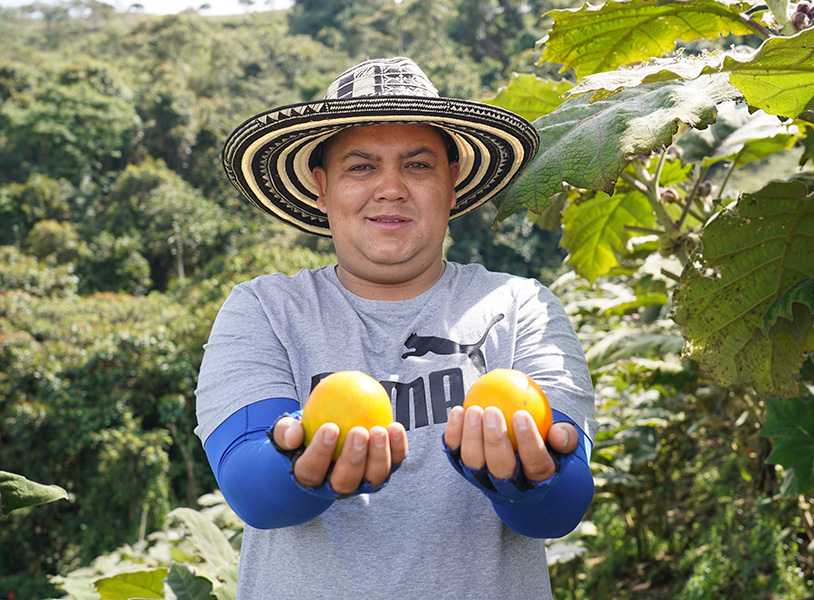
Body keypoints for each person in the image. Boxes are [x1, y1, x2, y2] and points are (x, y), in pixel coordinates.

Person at [194, 57, 598, 600]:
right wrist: (300, 464)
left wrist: (524, 476)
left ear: (452, 183)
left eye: (417, 166)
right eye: (361, 167)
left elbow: (562, 503)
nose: (390, 188)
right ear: (322, 188)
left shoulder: (520, 305)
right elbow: (252, 488)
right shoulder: (264, 309)